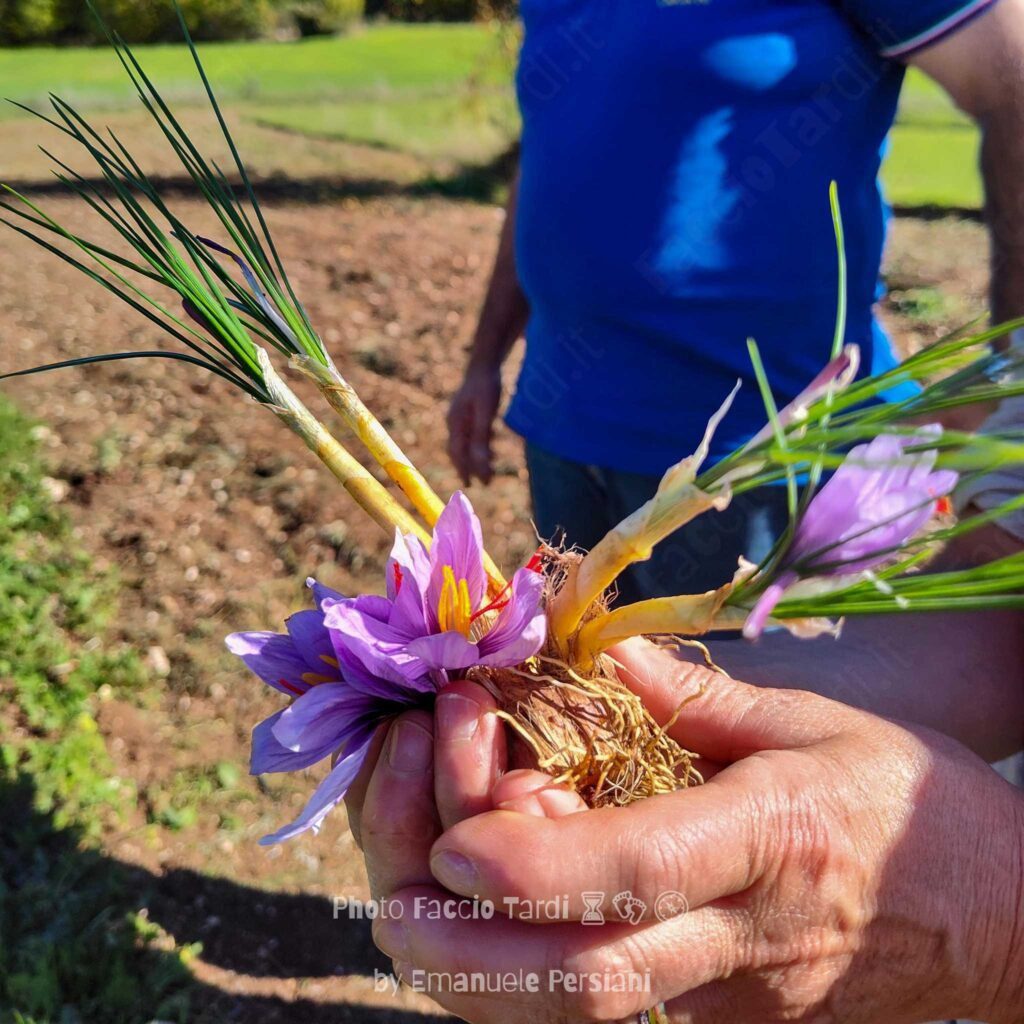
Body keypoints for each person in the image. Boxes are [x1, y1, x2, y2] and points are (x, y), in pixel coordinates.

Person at [447, 0, 1024, 602]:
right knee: (578, 659)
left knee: (737, 664)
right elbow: (551, 147)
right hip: (561, 424)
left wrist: (1012, 383)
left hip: (755, 456)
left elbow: (1013, 77)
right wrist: (484, 360)